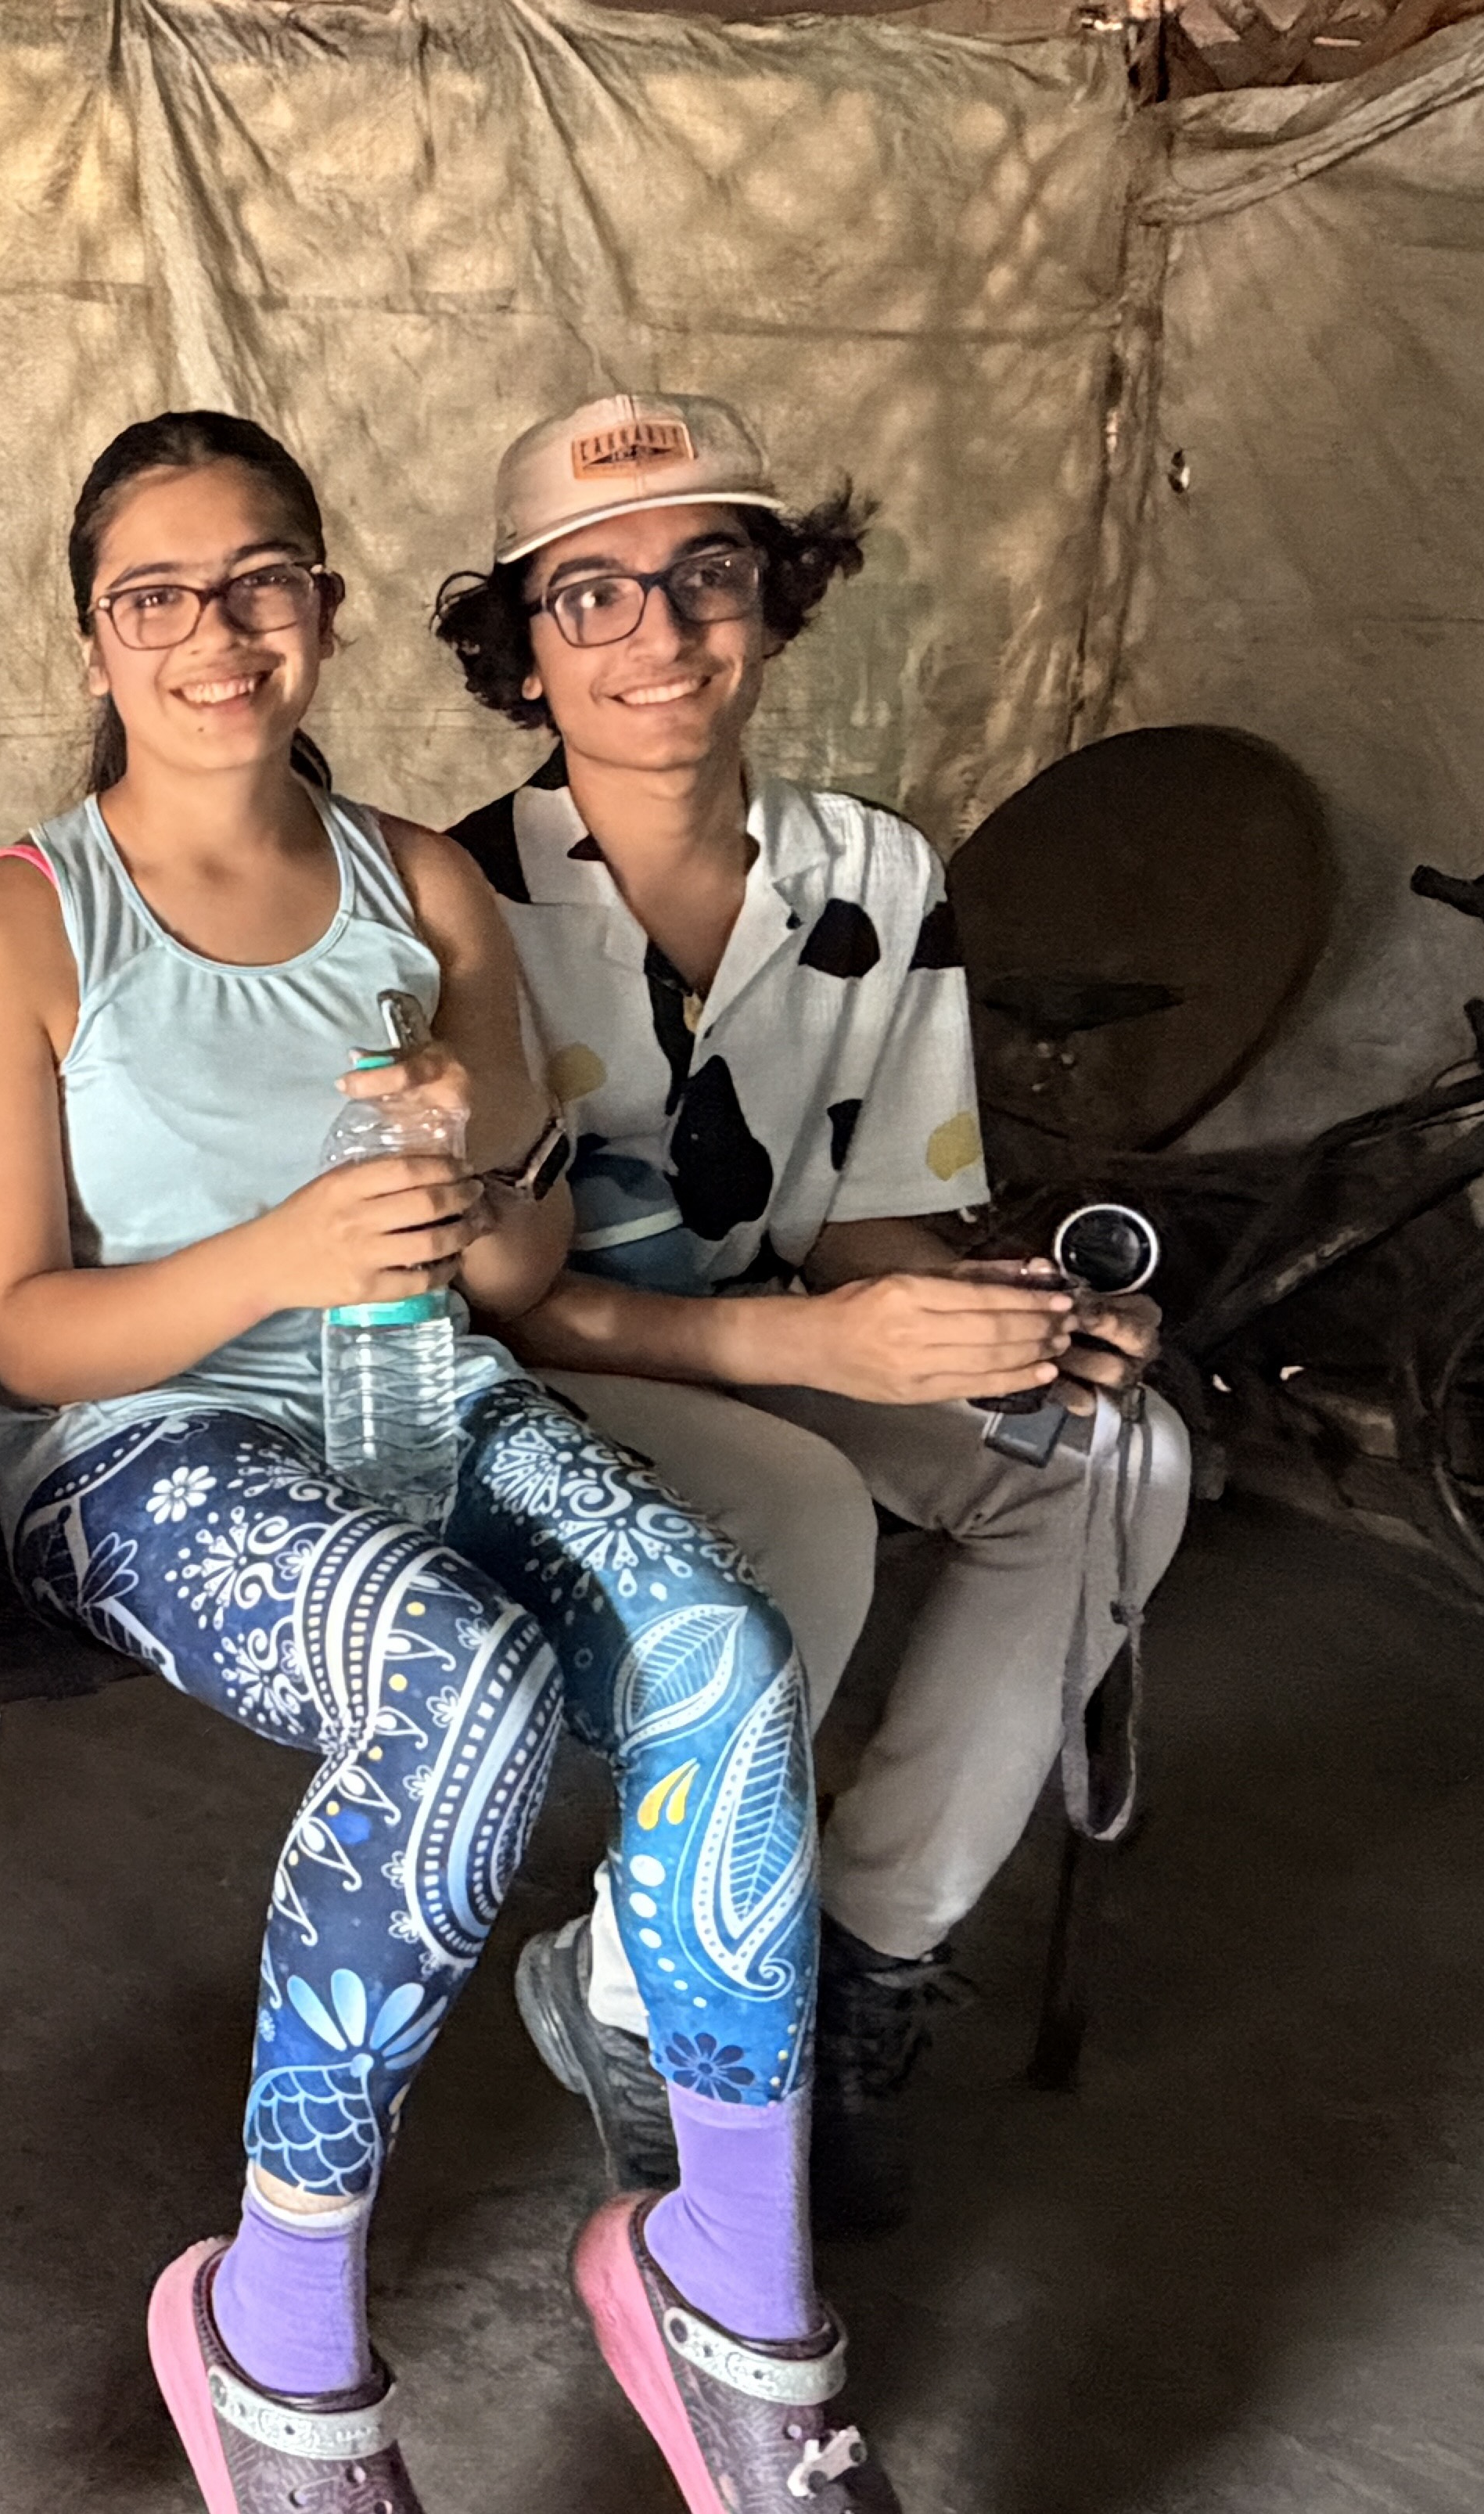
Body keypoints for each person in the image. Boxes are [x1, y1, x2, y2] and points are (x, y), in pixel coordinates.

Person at [0, 411, 901, 2514]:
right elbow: (19, 1320)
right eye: (159, 594)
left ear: (326, 606)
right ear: (95, 635)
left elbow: (530, 1243)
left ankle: (738, 2285)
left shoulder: (425, 885)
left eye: (262, 577)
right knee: (462, 1689)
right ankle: (276, 2346)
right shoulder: (16, 928)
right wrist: (288, 1243)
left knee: (718, 1644)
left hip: (424, 1390)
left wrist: (470, 1190)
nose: (217, 633)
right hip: (144, 1443)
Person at [425, 390, 1192, 2235]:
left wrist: (1006, 1322)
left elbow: (878, 1228)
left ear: (774, 605)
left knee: (1115, 1450)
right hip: (531, 1379)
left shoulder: (879, 876)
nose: (660, 634)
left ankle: (853, 1955)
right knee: (794, 1505)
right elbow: (484, 1303)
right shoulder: (451, 901)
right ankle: (666, 1982)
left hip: (777, 1344)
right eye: (589, 595)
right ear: (521, 654)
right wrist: (814, 1348)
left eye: (708, 576)